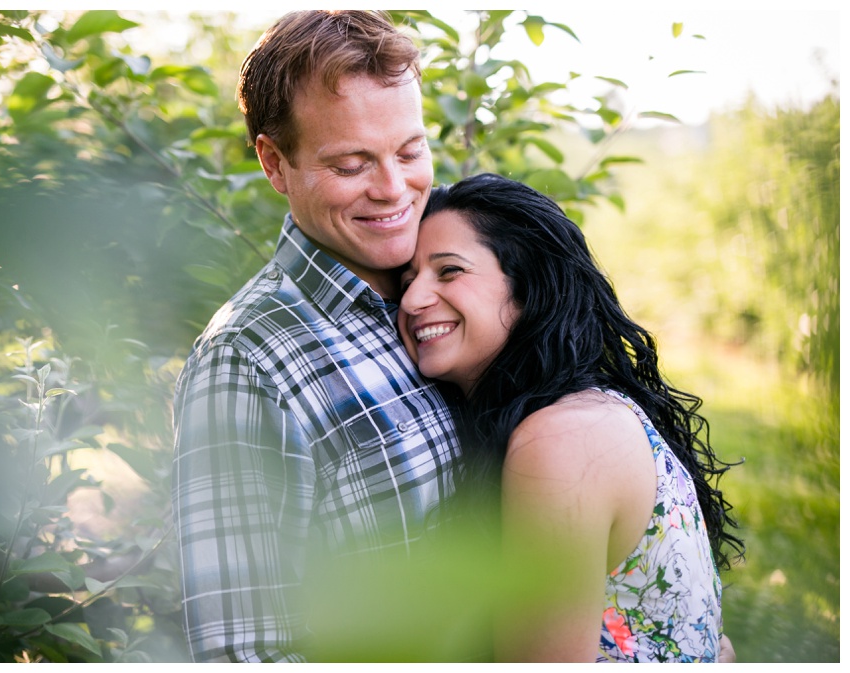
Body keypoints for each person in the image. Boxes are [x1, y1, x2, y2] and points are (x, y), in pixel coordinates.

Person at [171, 11, 460, 662]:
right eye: (352, 163)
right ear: (275, 163)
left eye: (411, 151)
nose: (394, 189)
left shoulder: (447, 295)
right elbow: (245, 651)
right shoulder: (245, 361)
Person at [397, 173, 743, 662]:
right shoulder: (578, 408)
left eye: (449, 271)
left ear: (529, 285)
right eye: (407, 282)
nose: (412, 301)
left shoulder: (563, 437)